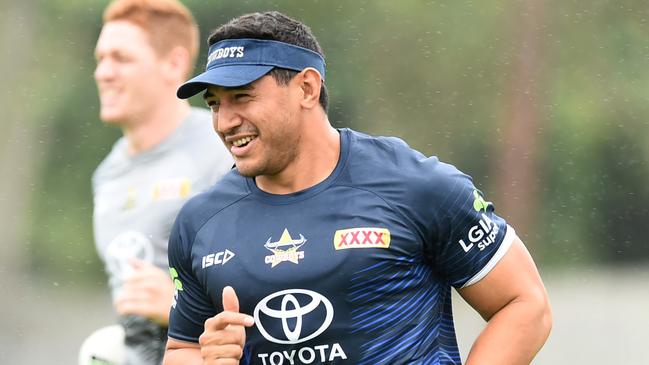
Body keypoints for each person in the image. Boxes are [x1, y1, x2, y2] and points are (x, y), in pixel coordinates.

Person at [163, 11, 552, 365]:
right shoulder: (200, 224)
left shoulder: (415, 187)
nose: (224, 122)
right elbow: (183, 350)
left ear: (306, 88)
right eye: (214, 104)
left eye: (242, 97)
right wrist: (208, 359)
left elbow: (524, 305)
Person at [83, 0, 233, 364]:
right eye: (101, 58)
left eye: (121, 58)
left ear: (174, 64)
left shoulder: (223, 150)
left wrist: (177, 306)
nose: (103, 72)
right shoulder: (107, 174)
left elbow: (276, 275)